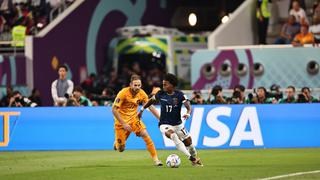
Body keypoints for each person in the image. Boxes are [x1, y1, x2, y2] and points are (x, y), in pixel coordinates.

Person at [138, 73, 203, 167]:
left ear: (172, 85)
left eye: (165, 84)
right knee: (172, 135)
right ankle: (190, 157)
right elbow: (150, 101)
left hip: (178, 124)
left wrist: (188, 113)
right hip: (164, 124)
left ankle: (195, 159)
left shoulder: (180, 95)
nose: (163, 86)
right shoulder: (160, 94)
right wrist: (141, 110)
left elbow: (188, 106)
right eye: (163, 84)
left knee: (190, 144)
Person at [112, 74, 163, 166]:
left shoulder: (142, 93)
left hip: (134, 120)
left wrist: (161, 119)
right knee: (121, 149)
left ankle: (156, 160)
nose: (137, 87)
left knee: (145, 134)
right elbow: (114, 110)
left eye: (139, 85)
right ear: (130, 84)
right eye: (135, 85)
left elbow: (150, 106)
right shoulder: (123, 93)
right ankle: (117, 144)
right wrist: (123, 124)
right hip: (121, 122)